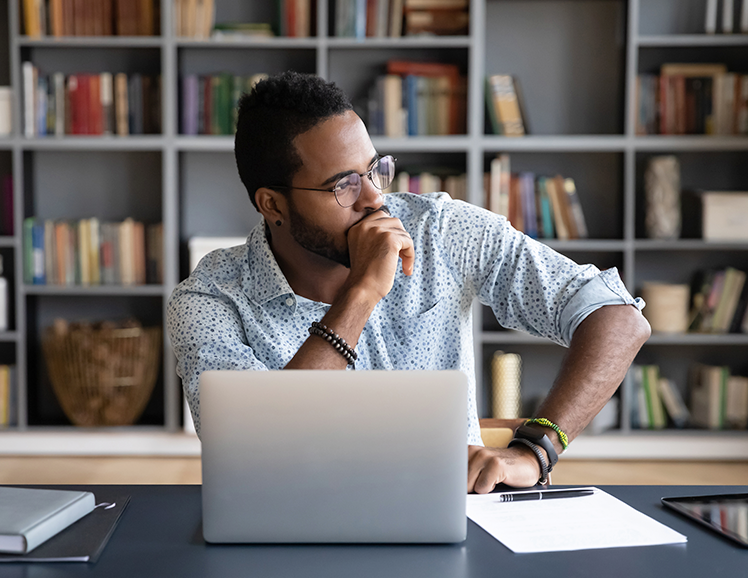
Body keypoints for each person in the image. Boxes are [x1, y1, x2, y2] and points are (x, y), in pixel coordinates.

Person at [167, 71, 651, 493]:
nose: (376, 199)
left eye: (375, 169)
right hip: (298, 531)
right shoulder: (209, 301)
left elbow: (619, 318)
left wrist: (537, 448)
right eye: (343, 185)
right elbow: (252, 455)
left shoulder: (439, 229)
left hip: (456, 514)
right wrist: (361, 293)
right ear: (272, 204)